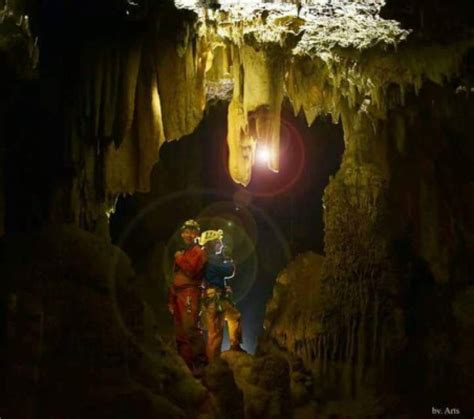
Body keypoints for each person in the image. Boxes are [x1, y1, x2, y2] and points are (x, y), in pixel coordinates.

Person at [168, 219, 207, 375]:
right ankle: (186, 365)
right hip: (178, 294)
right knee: (180, 332)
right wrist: (170, 298)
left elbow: (191, 270)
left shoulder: (199, 252)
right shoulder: (184, 252)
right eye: (186, 231)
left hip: (190, 292)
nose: (188, 234)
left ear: (197, 234)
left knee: (190, 328)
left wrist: (178, 258)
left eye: (192, 231)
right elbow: (174, 276)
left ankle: (201, 364)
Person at [199, 229, 245, 362]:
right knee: (215, 333)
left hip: (219, 296)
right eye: (218, 242)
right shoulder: (211, 259)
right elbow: (229, 271)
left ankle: (235, 344)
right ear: (211, 244)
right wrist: (228, 260)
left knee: (235, 316)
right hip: (214, 299)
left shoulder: (211, 258)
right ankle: (213, 364)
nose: (221, 244)